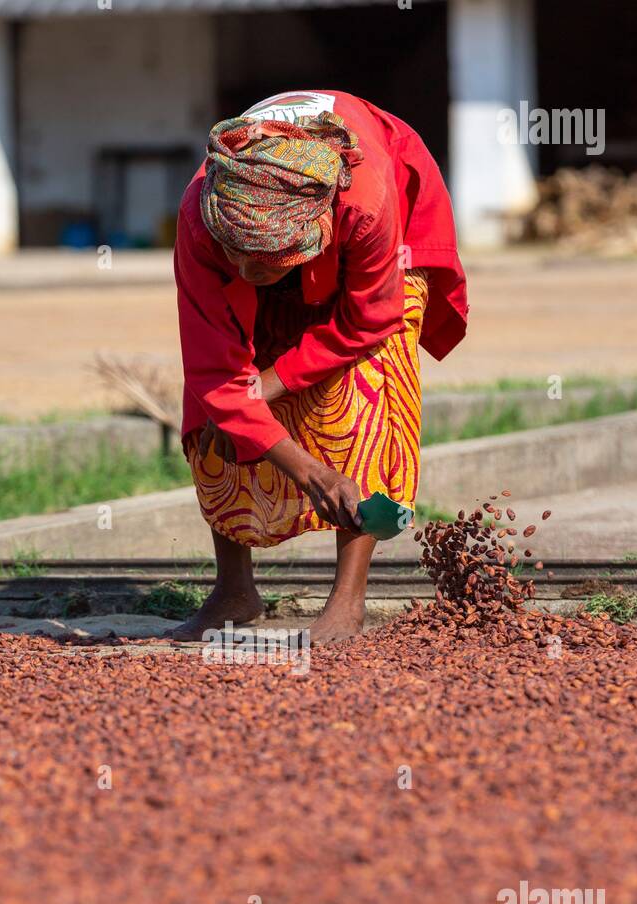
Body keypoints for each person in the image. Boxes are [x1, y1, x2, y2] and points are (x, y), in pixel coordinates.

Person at [172, 89, 468, 642]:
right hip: (281, 241)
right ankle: (234, 587)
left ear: (317, 230)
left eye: (264, 261)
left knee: (373, 381)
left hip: (373, 261)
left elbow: (367, 319)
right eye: (234, 253)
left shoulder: (365, 202)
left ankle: (347, 598)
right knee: (214, 414)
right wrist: (306, 469)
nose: (245, 269)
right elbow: (215, 370)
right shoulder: (200, 215)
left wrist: (270, 384)